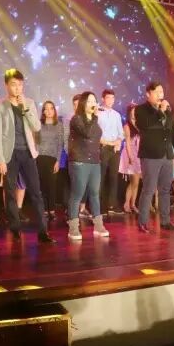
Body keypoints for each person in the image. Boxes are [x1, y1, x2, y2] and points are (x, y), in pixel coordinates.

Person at [0, 69, 56, 243]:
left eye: (20, 85)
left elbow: (36, 127)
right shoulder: (0, 105)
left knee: (36, 192)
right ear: (6, 85)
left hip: (28, 153)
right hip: (9, 154)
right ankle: (15, 229)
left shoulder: (29, 103)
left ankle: (43, 231)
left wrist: (25, 108)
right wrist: (0, 159)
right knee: (10, 192)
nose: (17, 88)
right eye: (14, 84)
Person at [135, 81, 174, 233]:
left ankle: (165, 221)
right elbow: (146, 125)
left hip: (166, 154)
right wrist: (161, 111)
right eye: (157, 92)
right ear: (148, 94)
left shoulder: (168, 111)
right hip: (150, 155)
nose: (160, 95)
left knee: (165, 189)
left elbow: (173, 131)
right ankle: (143, 222)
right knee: (149, 189)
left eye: (162, 92)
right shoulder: (141, 110)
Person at [67, 91, 110, 240]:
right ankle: (73, 227)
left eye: (94, 101)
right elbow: (86, 132)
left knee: (94, 193)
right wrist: (95, 117)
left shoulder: (94, 121)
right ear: (83, 103)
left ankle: (98, 226)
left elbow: (96, 137)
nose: (93, 104)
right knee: (77, 194)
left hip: (94, 162)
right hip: (79, 161)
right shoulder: (76, 119)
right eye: (90, 101)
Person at [36, 100, 64, 220]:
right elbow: (36, 141)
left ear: (54, 110)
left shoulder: (59, 125)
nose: (49, 111)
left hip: (52, 158)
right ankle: (43, 210)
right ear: (43, 111)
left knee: (51, 185)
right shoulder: (38, 124)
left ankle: (51, 210)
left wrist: (58, 160)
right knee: (41, 185)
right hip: (39, 157)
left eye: (51, 108)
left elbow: (60, 144)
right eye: (46, 109)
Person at [97, 89, 124, 214]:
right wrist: (107, 143)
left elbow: (121, 133)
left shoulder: (116, 115)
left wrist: (118, 141)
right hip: (102, 147)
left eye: (113, 98)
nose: (111, 100)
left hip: (115, 149)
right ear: (103, 99)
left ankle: (112, 205)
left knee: (114, 177)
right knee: (101, 177)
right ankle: (99, 206)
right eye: (108, 98)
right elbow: (96, 132)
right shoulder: (98, 113)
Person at [119, 104, 142, 213]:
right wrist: (130, 157)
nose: (135, 112)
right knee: (134, 181)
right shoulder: (127, 126)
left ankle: (133, 204)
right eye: (133, 110)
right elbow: (127, 143)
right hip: (131, 153)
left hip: (139, 154)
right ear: (129, 112)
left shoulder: (139, 124)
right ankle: (127, 203)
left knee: (136, 182)